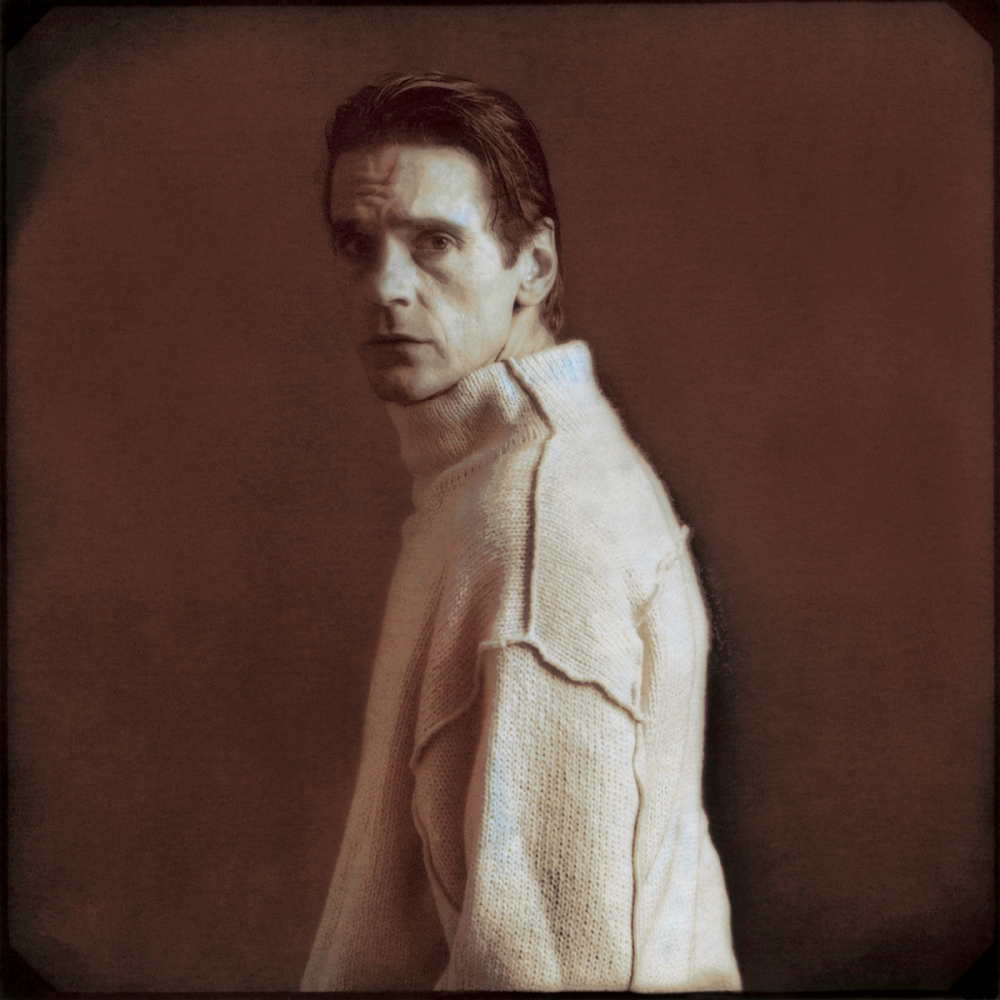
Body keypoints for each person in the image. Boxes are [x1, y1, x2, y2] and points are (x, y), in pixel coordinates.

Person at [301, 71, 741, 993]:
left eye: (434, 242)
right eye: (356, 244)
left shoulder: (538, 530)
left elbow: (553, 974)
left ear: (533, 266)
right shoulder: (495, 476)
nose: (385, 287)